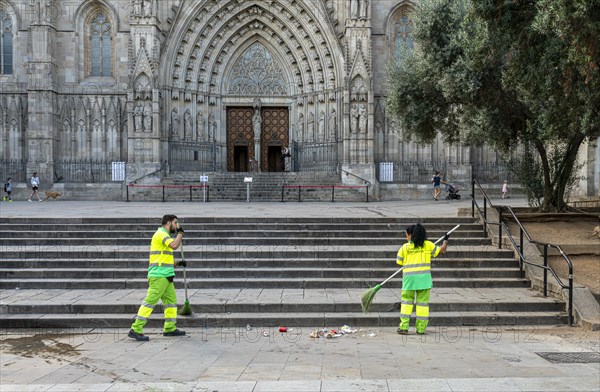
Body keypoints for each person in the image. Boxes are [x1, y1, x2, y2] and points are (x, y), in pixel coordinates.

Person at [129, 215, 186, 341]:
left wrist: (177, 263)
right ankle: (136, 328)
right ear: (168, 222)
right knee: (150, 302)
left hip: (166, 276)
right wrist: (180, 234)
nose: (176, 226)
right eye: (175, 223)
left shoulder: (165, 236)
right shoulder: (161, 233)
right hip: (158, 276)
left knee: (170, 303)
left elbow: (163, 258)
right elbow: (175, 246)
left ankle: (170, 328)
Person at [396, 223, 448, 335]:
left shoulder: (404, 247)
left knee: (406, 302)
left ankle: (404, 327)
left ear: (411, 235)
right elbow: (442, 251)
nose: (406, 237)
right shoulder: (428, 245)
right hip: (424, 280)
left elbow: (399, 262)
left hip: (409, 280)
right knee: (422, 305)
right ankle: (420, 329)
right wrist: (445, 241)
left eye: (407, 235)